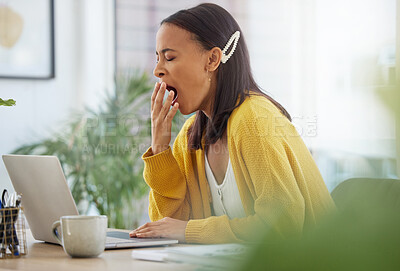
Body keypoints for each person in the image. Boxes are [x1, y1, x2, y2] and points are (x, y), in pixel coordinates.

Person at [129, 3, 335, 244]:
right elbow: (167, 225)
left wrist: (189, 231)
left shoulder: (254, 119)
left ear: (213, 59)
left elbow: (283, 225)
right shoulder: (190, 136)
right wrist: (160, 149)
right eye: (157, 59)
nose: (157, 70)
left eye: (169, 57)